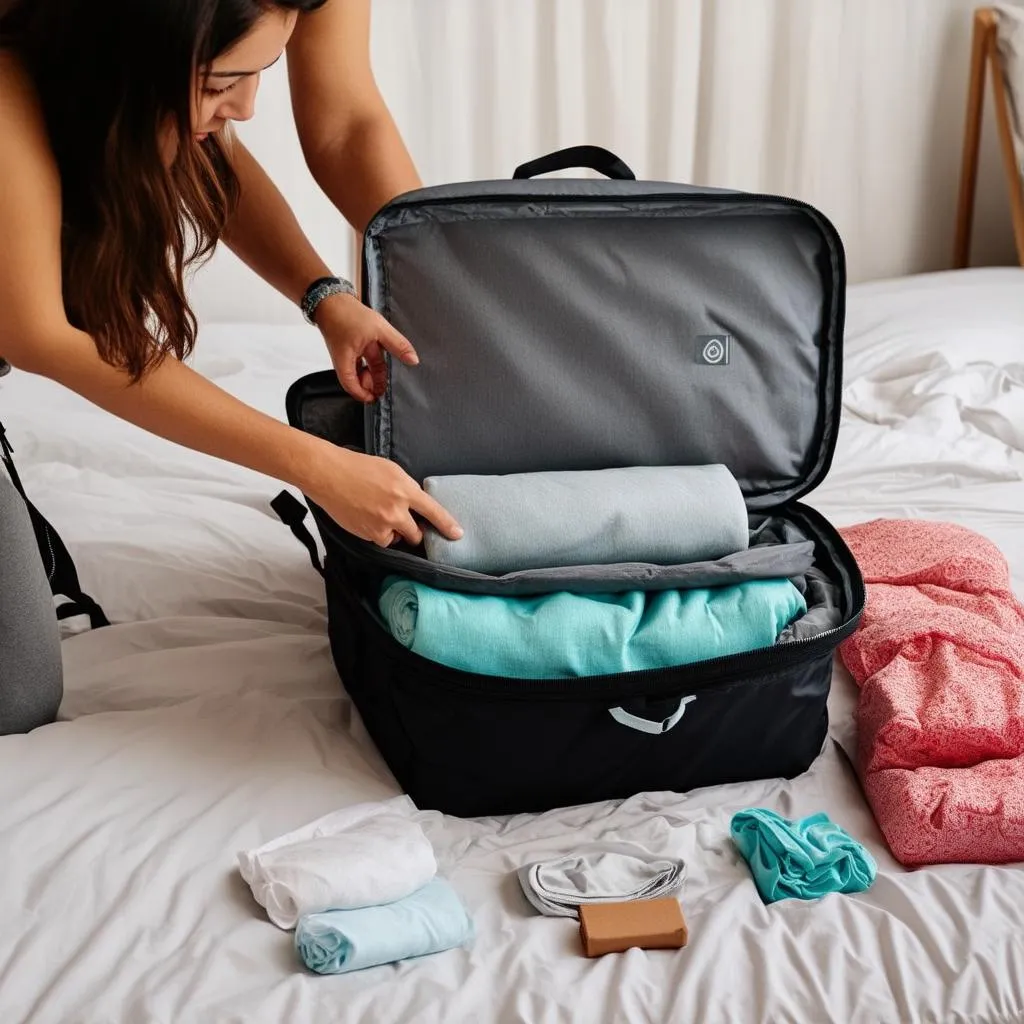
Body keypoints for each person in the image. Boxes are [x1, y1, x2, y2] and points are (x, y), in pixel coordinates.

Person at [0, 0, 463, 735]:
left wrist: (327, 298)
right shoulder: (9, 78)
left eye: (259, 77)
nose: (245, 108)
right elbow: (41, 335)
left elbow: (213, 153)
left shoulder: (127, 91)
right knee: (12, 697)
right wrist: (315, 466)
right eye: (221, 83)